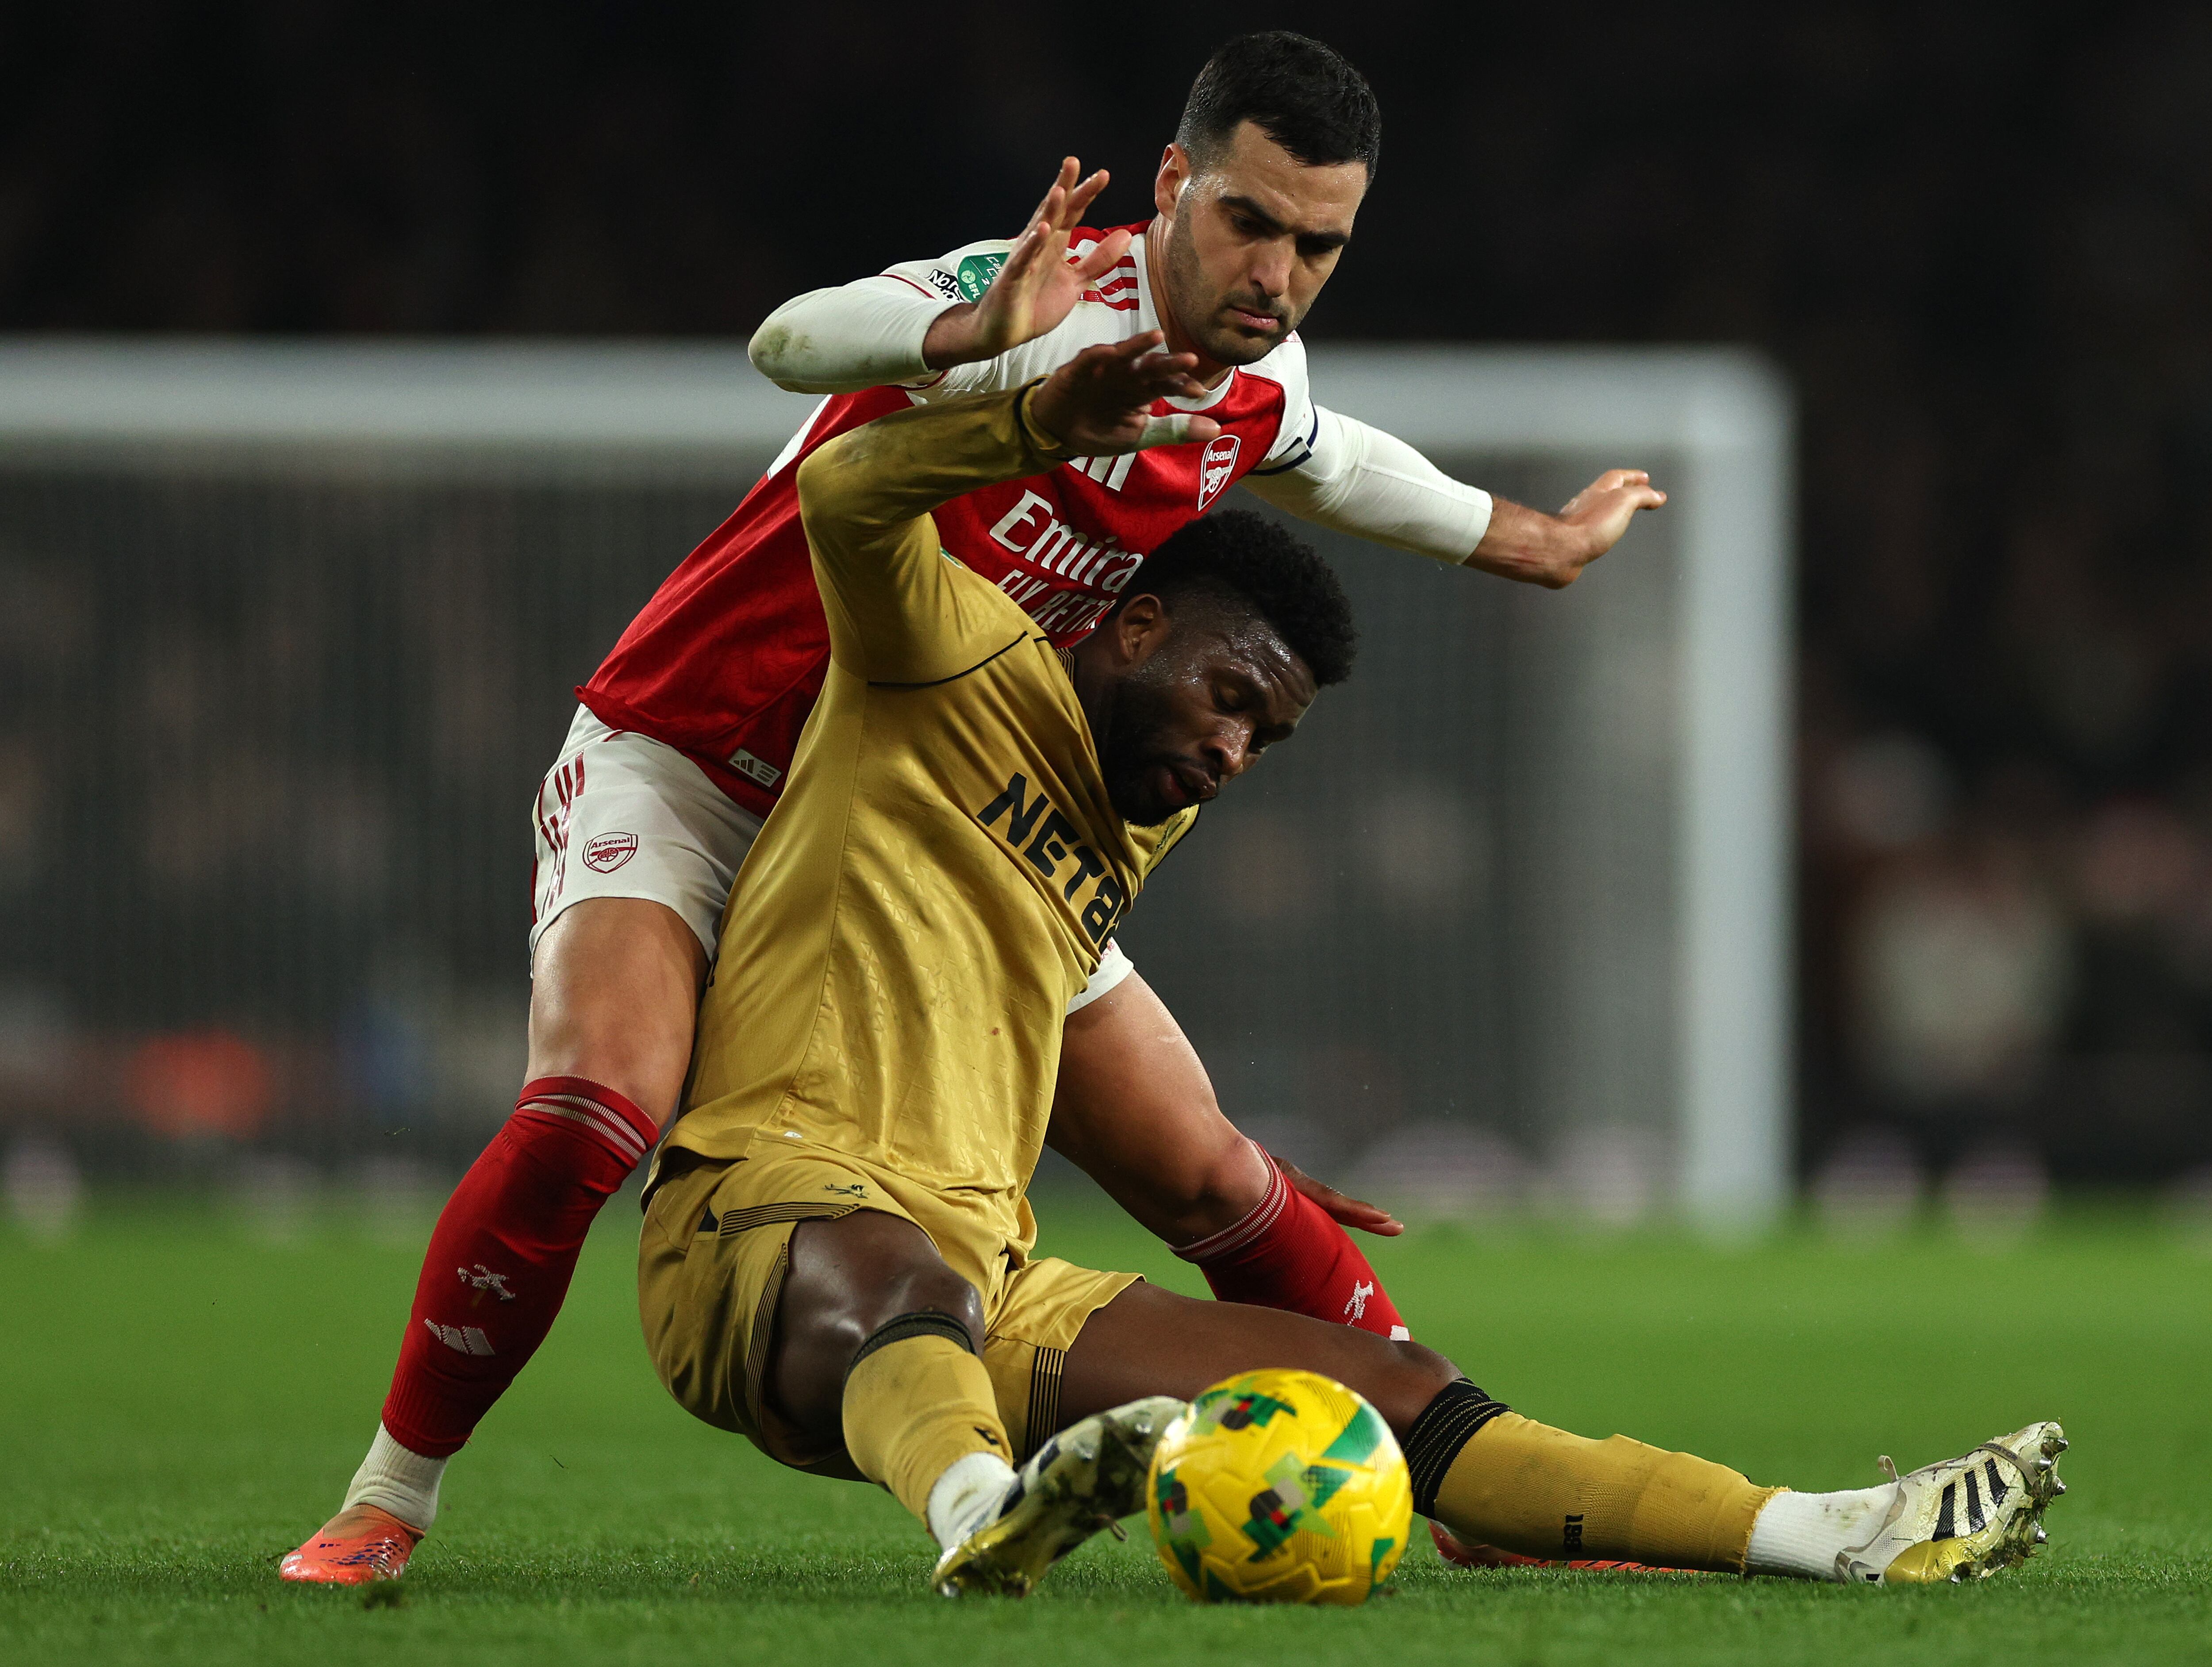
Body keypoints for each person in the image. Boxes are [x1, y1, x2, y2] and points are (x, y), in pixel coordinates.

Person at [284, 30, 1668, 1584]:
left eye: (1319, 245)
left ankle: (1456, 1480)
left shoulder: (1252, 379)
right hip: (704, 757)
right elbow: (790, 339)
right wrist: (966, 333)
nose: (1279, 273)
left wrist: (1532, 541)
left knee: (1215, 1172)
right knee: (600, 1103)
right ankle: (388, 1496)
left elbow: (1330, 458)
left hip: (929, 818)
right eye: (1250, 221)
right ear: (1173, 183)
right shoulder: (1041, 299)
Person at [636, 332, 2066, 1597]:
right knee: (906, 1282)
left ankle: (1834, 1529)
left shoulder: (1141, 807)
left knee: (1399, 1391)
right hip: (762, 1220)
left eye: (1263, 737)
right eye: (1226, 697)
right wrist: (1036, 420)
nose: (1230, 752)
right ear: (1135, 622)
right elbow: (844, 487)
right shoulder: (941, 656)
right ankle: (982, 1515)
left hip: (990, 1281)